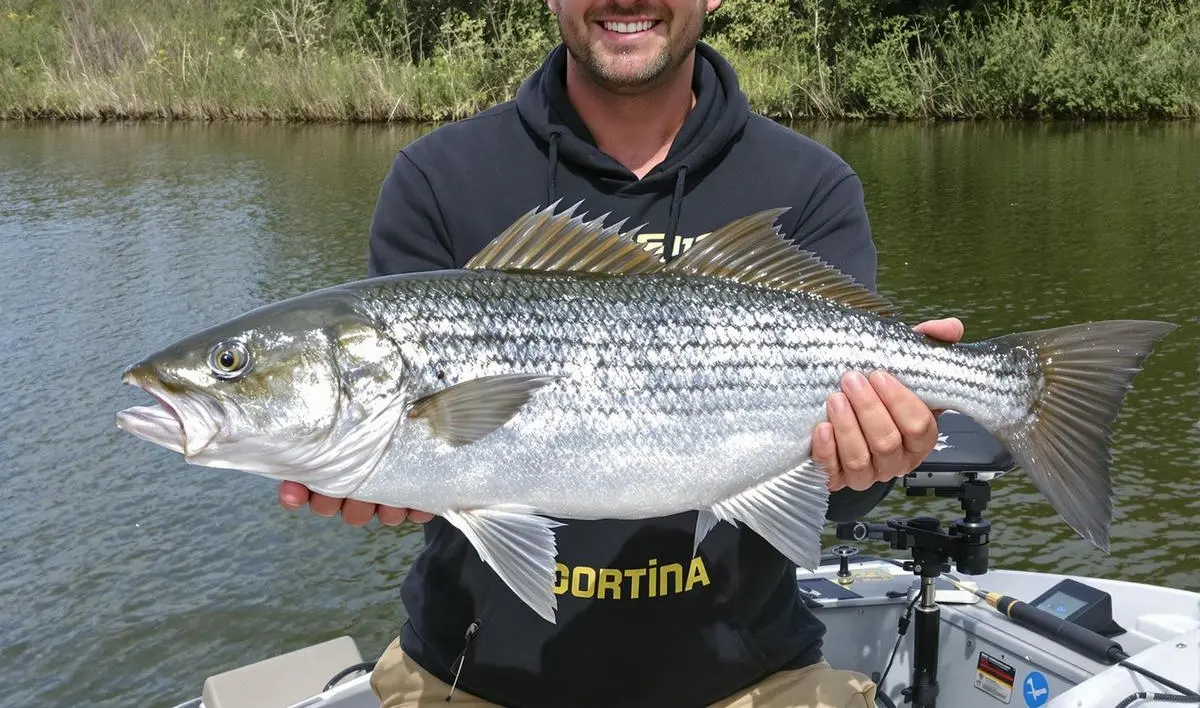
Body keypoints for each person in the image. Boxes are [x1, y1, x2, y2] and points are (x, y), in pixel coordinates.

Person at [279, 1, 964, 705]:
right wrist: (391, 481)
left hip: (751, 680)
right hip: (473, 682)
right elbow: (430, 463)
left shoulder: (810, 188)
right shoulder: (435, 179)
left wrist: (880, 454)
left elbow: (843, 489)